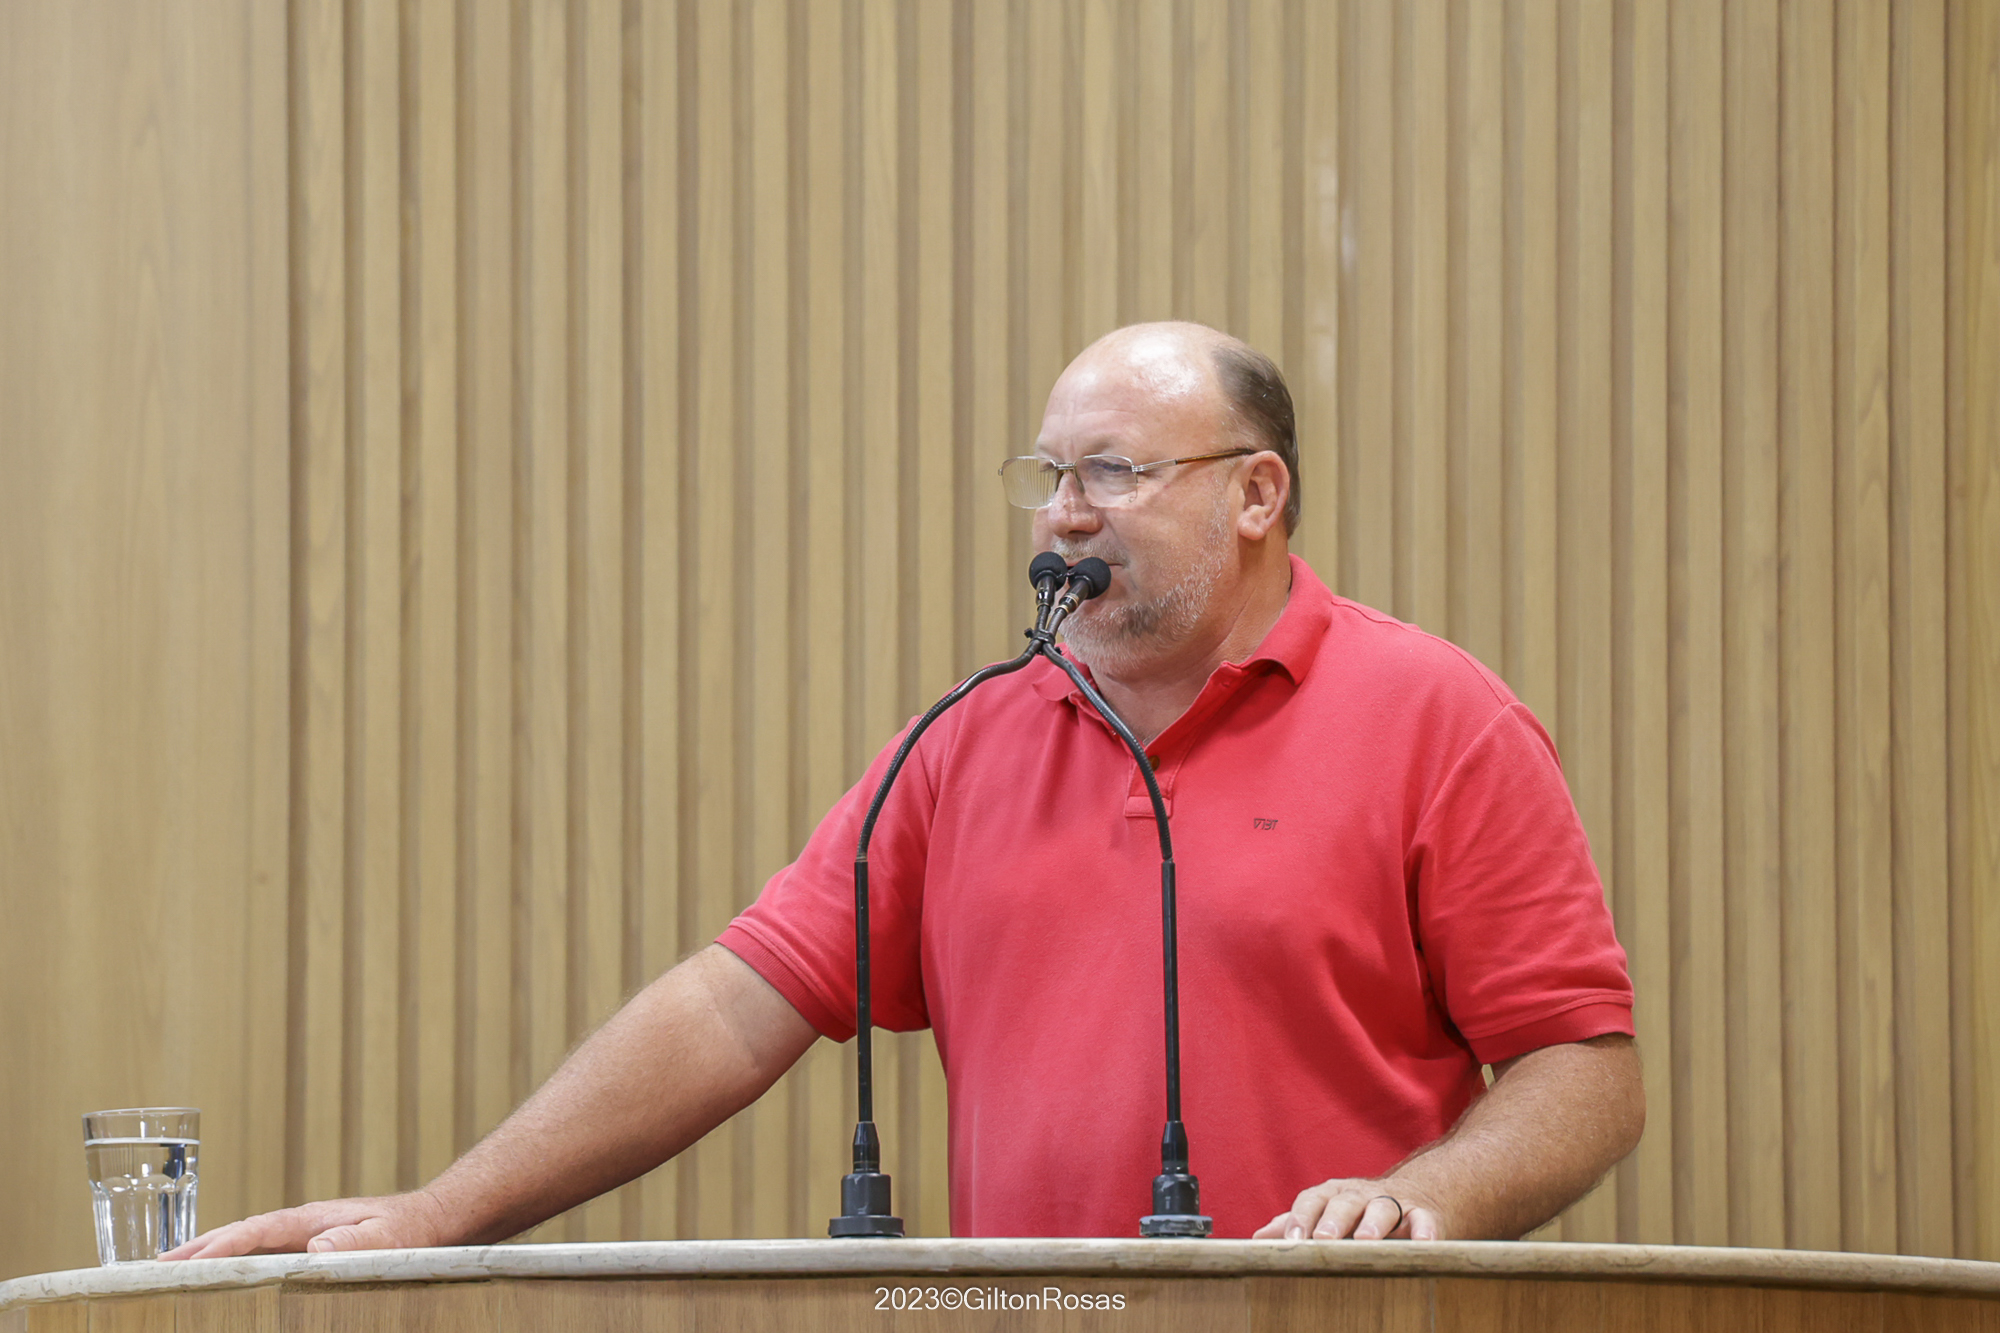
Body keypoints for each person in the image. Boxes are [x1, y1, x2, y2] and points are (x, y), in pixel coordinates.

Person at [166, 322, 1642, 1258]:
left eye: (1112, 472)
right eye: (1046, 476)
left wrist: (1426, 1200)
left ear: (1257, 493)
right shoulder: (971, 738)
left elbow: (1585, 1070)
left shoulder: (1439, 718)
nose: (1063, 515)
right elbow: (737, 1004)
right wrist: (436, 1218)